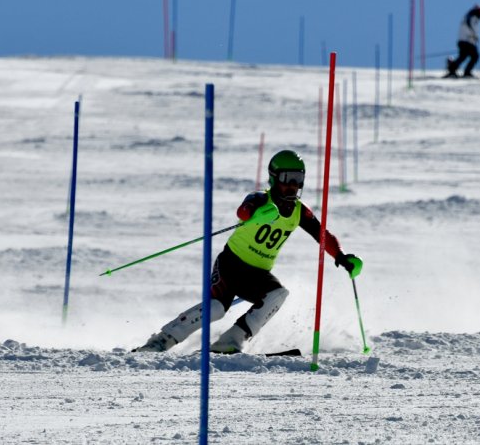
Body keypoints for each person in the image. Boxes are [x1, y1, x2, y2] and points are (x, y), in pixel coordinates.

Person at [134, 150, 362, 354]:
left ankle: (232, 339)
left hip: (257, 274)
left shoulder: (300, 212)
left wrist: (341, 257)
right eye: (286, 179)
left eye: (298, 179)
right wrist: (256, 214)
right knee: (216, 308)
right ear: (274, 178)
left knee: (278, 294)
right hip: (231, 264)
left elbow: (322, 235)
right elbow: (243, 211)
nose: (292, 185)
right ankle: (161, 340)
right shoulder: (261, 198)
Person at [445, 4, 480, 78]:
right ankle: (466, 72)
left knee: (463, 56)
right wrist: (475, 36)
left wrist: (474, 36)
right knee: (475, 56)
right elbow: (471, 27)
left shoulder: (468, 17)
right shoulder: (472, 18)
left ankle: (452, 69)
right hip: (467, 41)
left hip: (463, 41)